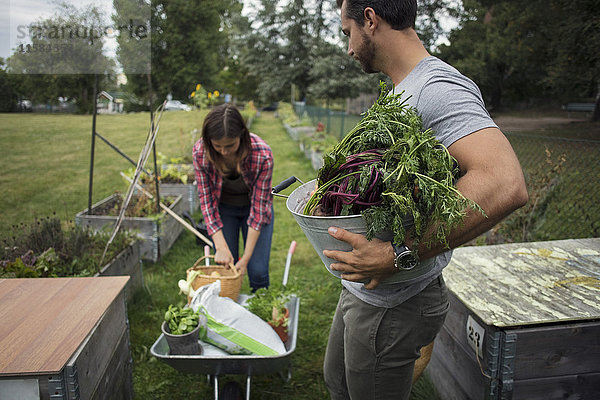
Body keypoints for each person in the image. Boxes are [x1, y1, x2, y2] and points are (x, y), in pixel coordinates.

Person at [322, 1, 529, 399]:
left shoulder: (437, 88)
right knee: (338, 384)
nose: (348, 49)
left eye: (347, 33)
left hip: (396, 298)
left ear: (370, 19)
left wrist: (398, 252)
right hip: (365, 289)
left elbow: (504, 181)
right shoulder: (404, 89)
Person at [193, 103, 274, 292]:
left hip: (254, 209)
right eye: (218, 146)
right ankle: (227, 306)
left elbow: (258, 209)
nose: (224, 151)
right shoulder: (200, 152)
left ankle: (261, 311)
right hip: (224, 210)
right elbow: (206, 202)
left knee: (258, 270)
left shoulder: (262, 154)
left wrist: (245, 259)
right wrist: (220, 246)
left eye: (230, 145)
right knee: (225, 266)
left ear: (242, 136)